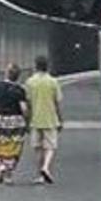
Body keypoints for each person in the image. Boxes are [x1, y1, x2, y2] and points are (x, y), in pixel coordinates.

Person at [24, 55, 64, 183]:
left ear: (35, 66)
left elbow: (28, 104)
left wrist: (27, 120)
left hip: (35, 120)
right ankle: (46, 167)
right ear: (48, 66)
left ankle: (40, 175)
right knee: (50, 147)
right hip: (51, 119)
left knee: (38, 147)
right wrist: (60, 119)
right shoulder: (53, 82)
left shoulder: (30, 82)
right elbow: (57, 102)